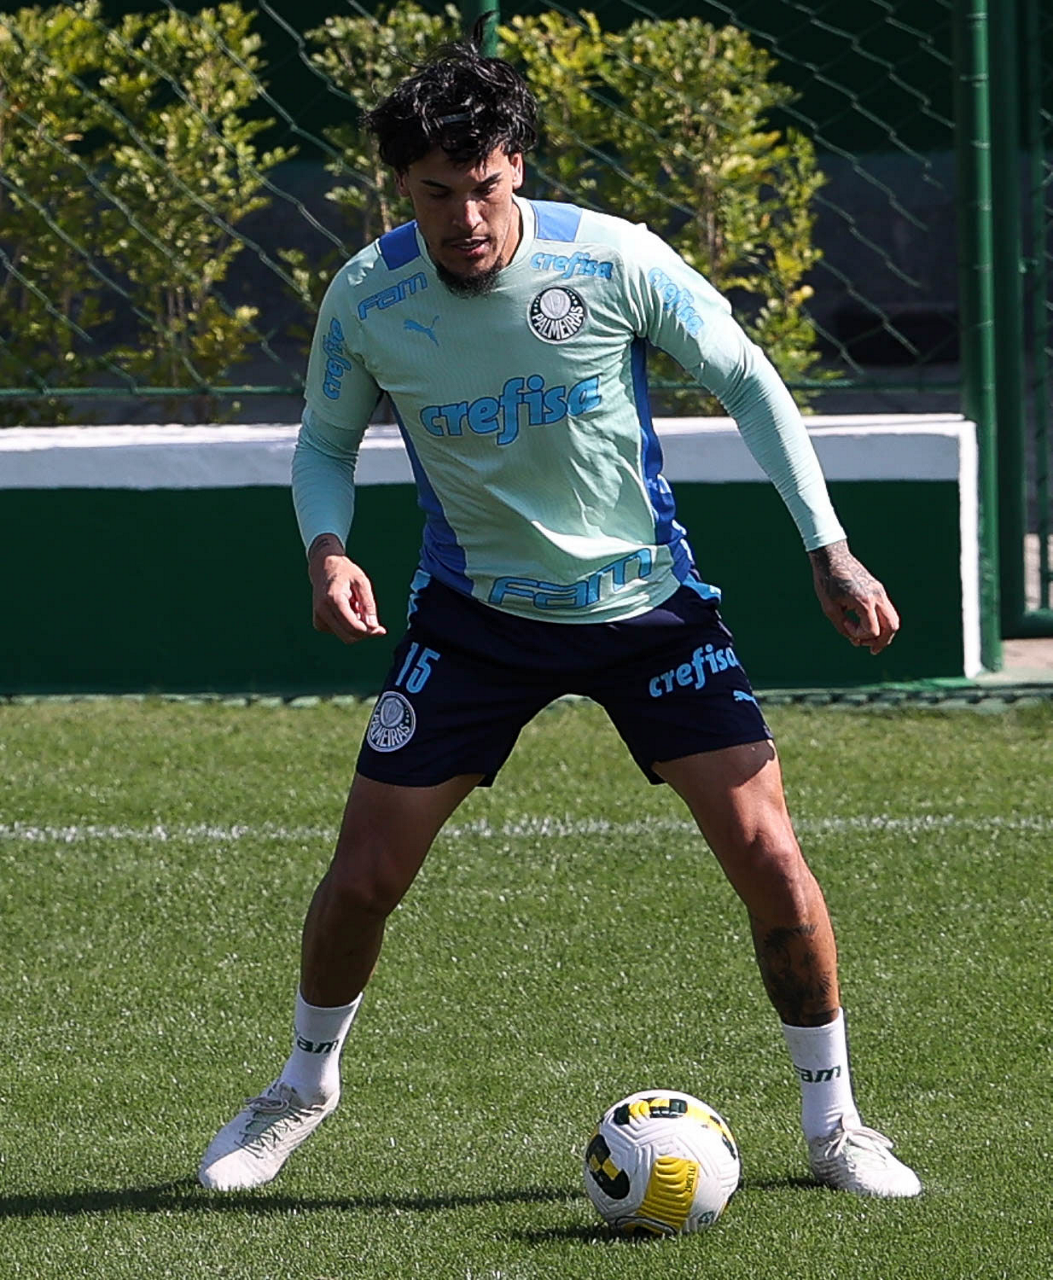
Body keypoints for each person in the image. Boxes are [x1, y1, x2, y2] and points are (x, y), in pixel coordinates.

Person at [199, 31, 921, 1200]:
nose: (464, 219)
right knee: (363, 873)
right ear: (402, 187)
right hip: (475, 619)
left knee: (771, 858)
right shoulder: (370, 295)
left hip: (650, 610)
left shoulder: (611, 258)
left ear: (518, 166)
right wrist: (326, 549)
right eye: (436, 194)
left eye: (483, 188)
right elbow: (325, 443)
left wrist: (827, 547)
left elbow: (746, 377)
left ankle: (835, 1123)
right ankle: (300, 1086)